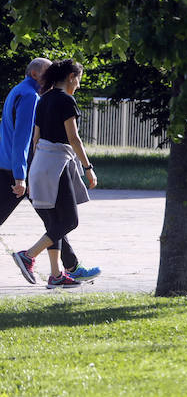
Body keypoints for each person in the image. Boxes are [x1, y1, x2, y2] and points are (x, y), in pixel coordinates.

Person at [3, 58, 99, 285]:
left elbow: (35, 138)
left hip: (38, 165)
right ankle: (28, 256)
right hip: (47, 165)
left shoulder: (41, 99)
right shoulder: (54, 99)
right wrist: (88, 168)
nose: (78, 85)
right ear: (71, 77)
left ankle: (57, 274)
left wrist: (34, 165)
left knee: (54, 221)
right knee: (68, 221)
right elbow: (72, 138)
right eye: (79, 80)